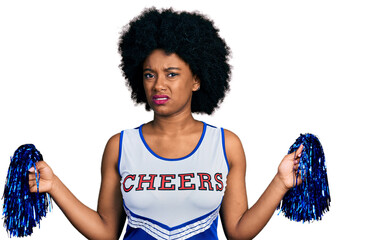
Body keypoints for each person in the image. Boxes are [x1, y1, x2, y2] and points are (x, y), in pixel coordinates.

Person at [29, 8, 303, 240]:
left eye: (171, 74)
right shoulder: (121, 145)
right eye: (150, 74)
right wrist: (54, 186)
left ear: (197, 80)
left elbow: (238, 231)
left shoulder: (224, 145)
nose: (158, 85)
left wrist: (280, 182)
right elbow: (106, 231)